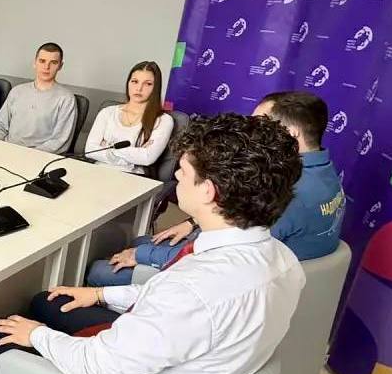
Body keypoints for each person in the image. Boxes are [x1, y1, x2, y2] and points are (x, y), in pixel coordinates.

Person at [0, 113, 305, 374]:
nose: (176, 175)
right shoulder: (283, 260)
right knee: (48, 302)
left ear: (209, 191)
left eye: (183, 170)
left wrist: (37, 335)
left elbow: (99, 367)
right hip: (183, 371)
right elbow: (173, 305)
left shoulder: (192, 291)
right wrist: (100, 295)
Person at [87, 90, 345, 287]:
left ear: (291, 133)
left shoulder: (288, 192)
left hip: (223, 276)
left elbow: (221, 254)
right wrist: (192, 224)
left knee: (101, 270)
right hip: (245, 263)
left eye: (259, 125)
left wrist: (143, 255)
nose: (250, 133)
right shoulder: (322, 172)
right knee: (142, 242)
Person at [84, 61, 175, 174]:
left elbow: (147, 158)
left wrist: (108, 147)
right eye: (135, 81)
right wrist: (135, 153)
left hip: (133, 176)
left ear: (156, 88)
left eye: (148, 84)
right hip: (97, 171)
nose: (139, 88)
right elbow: (89, 150)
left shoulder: (163, 120)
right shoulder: (107, 112)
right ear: (128, 83)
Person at [0, 43, 77, 153]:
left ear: (60, 66)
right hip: (6, 150)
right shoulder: (17, 91)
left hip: (38, 156)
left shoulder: (66, 98)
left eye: (53, 62)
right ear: (35, 63)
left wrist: (29, 156)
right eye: (42, 61)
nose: (46, 67)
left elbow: (59, 141)